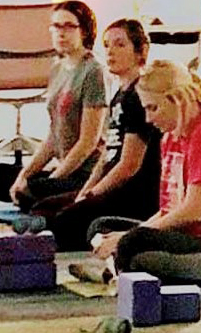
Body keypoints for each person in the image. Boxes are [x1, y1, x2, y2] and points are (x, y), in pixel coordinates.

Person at [89, 59, 201, 284]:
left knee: (130, 245)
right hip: (185, 237)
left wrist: (129, 236)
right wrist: (131, 233)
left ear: (177, 100)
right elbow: (169, 209)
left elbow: (192, 212)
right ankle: (118, 267)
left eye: (153, 108)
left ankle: (116, 269)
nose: (148, 119)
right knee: (101, 227)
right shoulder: (170, 139)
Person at [0, 1, 106, 217]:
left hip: (84, 175)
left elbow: (88, 142)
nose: (61, 33)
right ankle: (44, 199)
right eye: (56, 26)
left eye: (69, 26)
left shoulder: (93, 72)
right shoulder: (58, 67)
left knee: (35, 191)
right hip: (61, 170)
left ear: (85, 31)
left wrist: (53, 179)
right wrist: (24, 175)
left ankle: (52, 199)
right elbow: (53, 137)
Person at [41, 17, 162, 251]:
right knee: (43, 207)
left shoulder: (139, 97)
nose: (110, 52)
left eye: (120, 44)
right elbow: (107, 155)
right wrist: (86, 190)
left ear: (141, 51)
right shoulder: (118, 95)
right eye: (107, 45)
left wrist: (94, 194)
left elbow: (128, 165)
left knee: (61, 224)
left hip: (132, 192)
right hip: (109, 183)